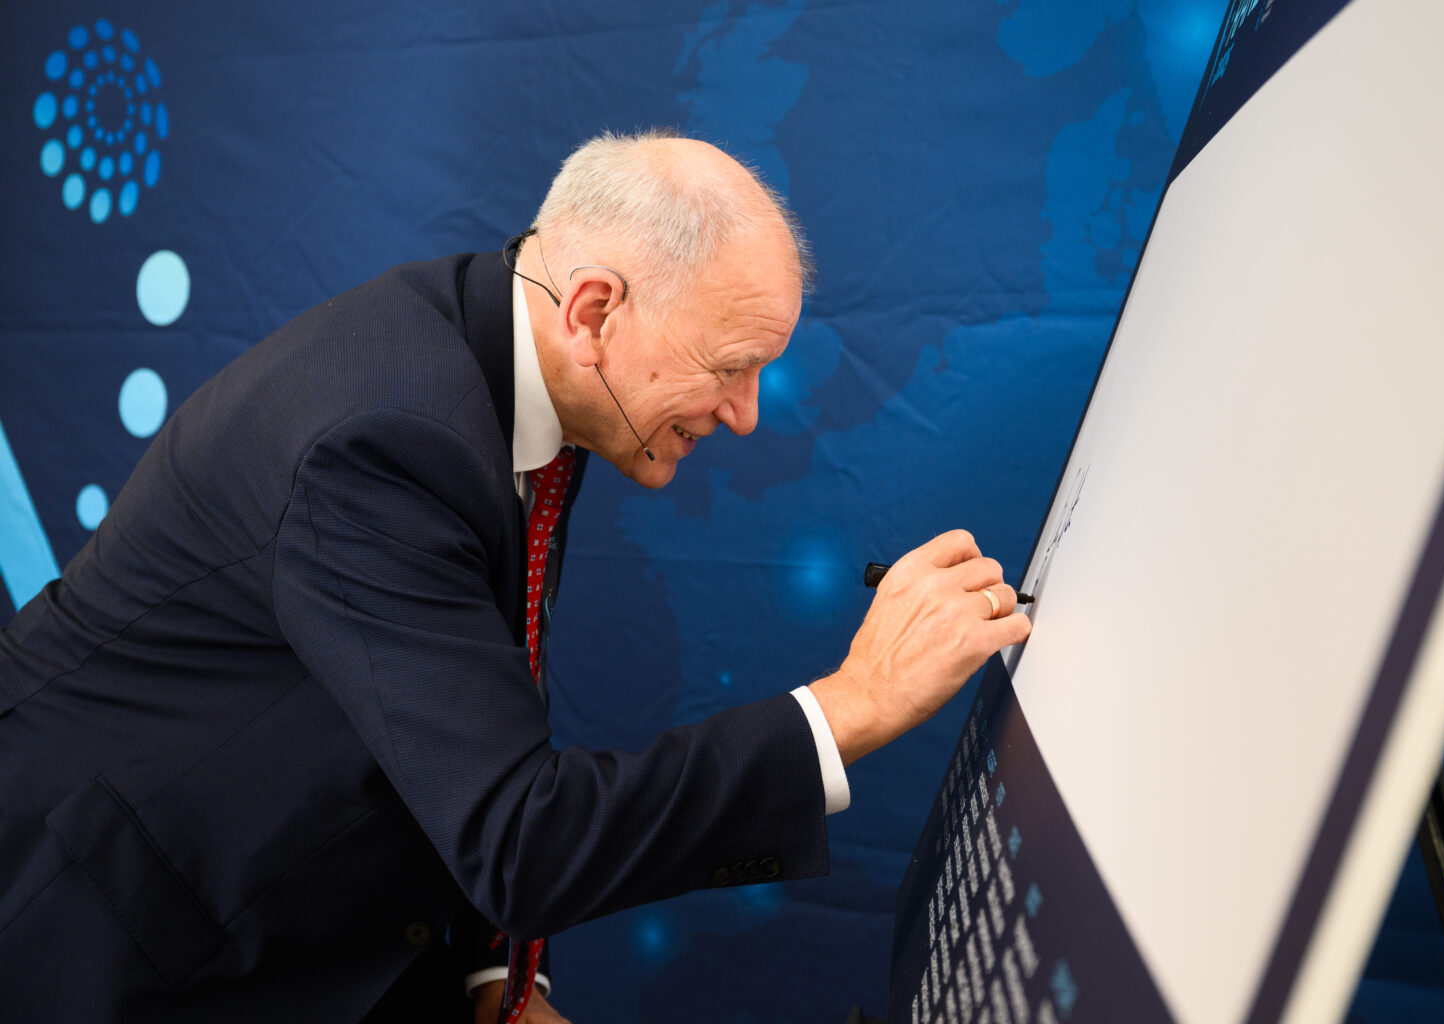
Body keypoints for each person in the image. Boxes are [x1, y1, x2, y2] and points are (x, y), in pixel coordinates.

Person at [0, 129, 1031, 1023]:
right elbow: (519, 834)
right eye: (729, 367)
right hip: (110, 948)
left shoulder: (524, 374)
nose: (746, 412)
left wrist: (493, 973)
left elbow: (444, 721)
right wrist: (856, 703)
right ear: (595, 311)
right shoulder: (384, 440)